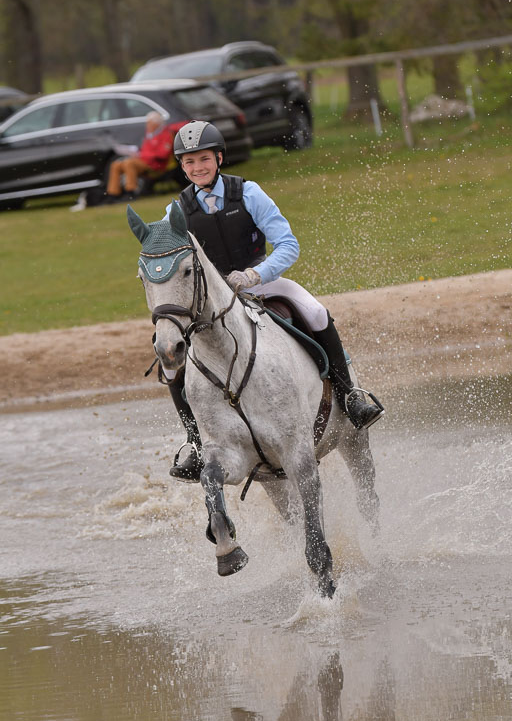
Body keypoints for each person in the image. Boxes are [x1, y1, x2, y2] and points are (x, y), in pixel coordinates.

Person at [163, 120, 384, 481]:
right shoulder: (177, 211)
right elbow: (166, 253)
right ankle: (195, 442)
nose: (196, 168)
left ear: (218, 158)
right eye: (188, 163)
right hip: (211, 301)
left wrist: (254, 275)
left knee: (314, 311)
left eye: (203, 159)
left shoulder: (248, 193)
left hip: (259, 283)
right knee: (170, 363)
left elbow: (288, 245)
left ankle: (349, 395)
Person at [104, 111, 174, 202]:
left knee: (128, 163)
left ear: (156, 123)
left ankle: (131, 192)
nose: (147, 125)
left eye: (149, 123)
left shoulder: (166, 134)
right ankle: (113, 194)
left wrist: (143, 155)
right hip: (143, 161)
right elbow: (144, 151)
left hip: (155, 165)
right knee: (116, 164)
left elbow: (163, 154)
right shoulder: (149, 135)